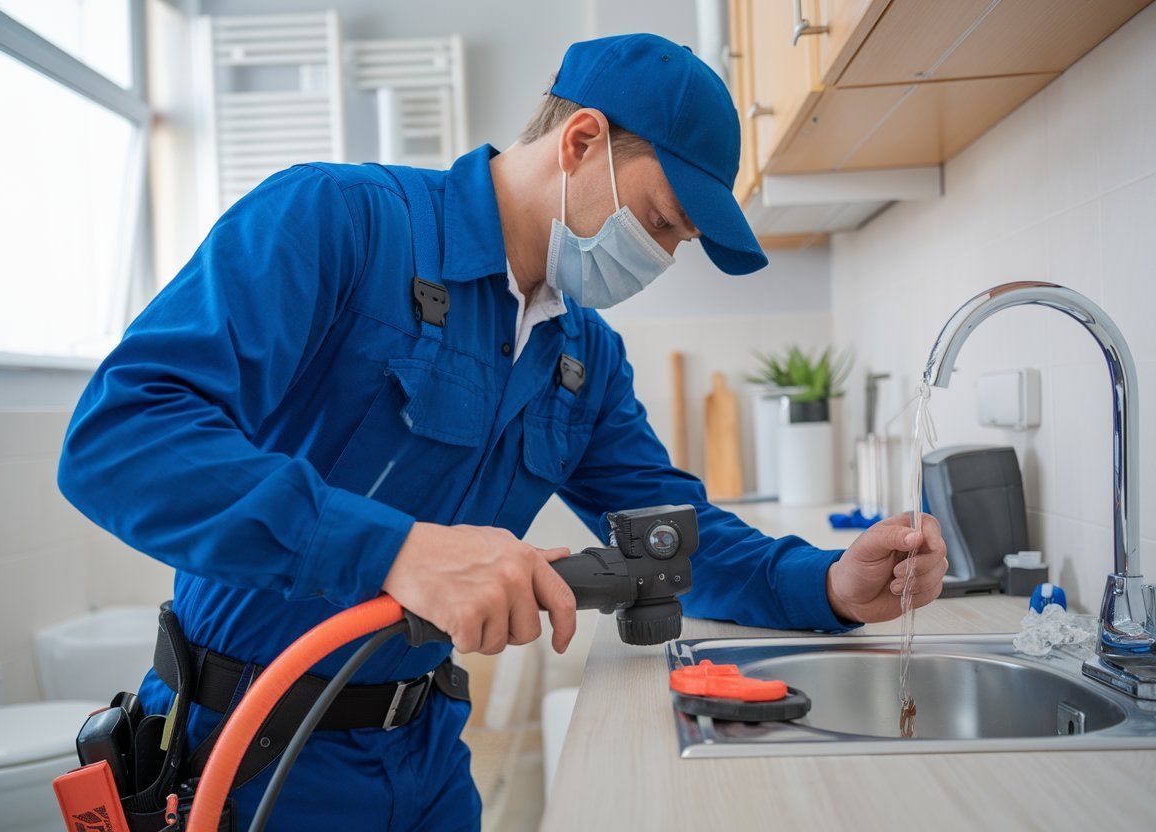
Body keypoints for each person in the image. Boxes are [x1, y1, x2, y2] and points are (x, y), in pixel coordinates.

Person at [58, 34, 948, 830]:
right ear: (583, 141)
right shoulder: (337, 222)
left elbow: (674, 534)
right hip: (247, 761)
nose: (665, 255)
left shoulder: (584, 358)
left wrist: (827, 583)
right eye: (663, 219)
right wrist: (398, 551)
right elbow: (117, 438)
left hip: (428, 758)